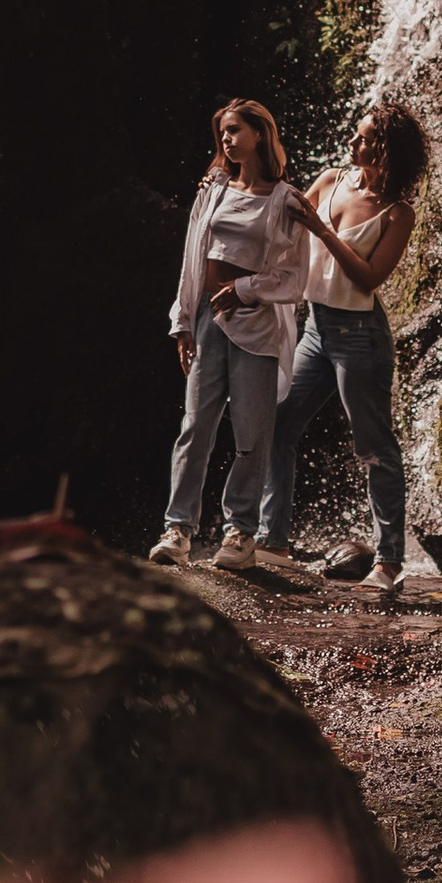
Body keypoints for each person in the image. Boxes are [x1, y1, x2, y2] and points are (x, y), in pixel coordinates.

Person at [258, 101, 427, 597]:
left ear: (385, 149)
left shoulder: (398, 213)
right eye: (354, 135)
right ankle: (273, 540)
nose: (352, 144)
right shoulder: (333, 180)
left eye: (363, 138)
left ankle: (389, 560)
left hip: (360, 336)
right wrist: (226, 187)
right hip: (317, 328)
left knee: (375, 448)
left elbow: (370, 276)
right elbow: (282, 213)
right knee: (278, 424)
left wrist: (321, 230)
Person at [150, 97, 308, 575]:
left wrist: (243, 290)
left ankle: (240, 531)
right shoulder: (213, 190)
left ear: (259, 134)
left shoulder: (285, 200)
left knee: (251, 436)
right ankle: (177, 530)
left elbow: (294, 278)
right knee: (195, 426)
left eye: (235, 130)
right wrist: (182, 323)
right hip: (206, 321)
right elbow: (191, 258)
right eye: (222, 132)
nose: (226, 139)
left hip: (255, 326)